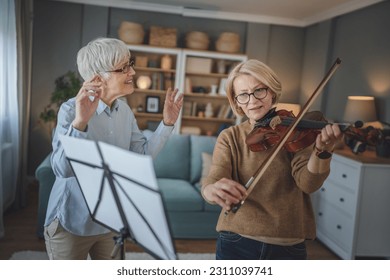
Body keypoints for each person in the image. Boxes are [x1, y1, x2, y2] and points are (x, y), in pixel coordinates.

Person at [44, 37, 183, 260]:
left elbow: (141, 157)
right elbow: (62, 170)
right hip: (71, 222)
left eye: (131, 64)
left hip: (109, 221)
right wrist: (80, 123)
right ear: (99, 78)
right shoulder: (70, 110)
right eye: (124, 68)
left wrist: (166, 124)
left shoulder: (125, 112)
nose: (133, 72)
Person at [201, 59, 342, 260]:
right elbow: (214, 177)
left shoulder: (296, 132)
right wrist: (211, 190)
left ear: (272, 91)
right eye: (243, 95)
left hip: (287, 244)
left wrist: (322, 151)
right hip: (236, 240)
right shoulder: (230, 137)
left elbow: (309, 183)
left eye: (259, 90)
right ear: (236, 101)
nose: (252, 100)